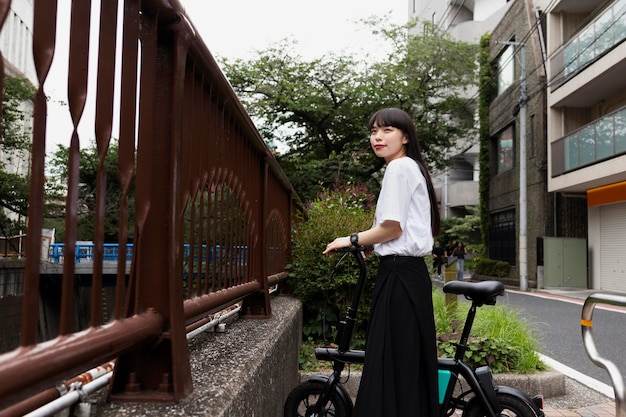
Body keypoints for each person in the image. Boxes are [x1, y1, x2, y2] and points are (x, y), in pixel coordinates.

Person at [323, 108, 441, 416]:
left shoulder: (399, 168)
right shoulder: (410, 167)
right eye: (374, 131)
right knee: (405, 361)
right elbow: (404, 229)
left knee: (392, 358)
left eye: (387, 130)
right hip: (408, 274)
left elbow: (392, 227)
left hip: (399, 277)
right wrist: (373, 249)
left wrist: (349, 240)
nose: (377, 137)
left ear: (405, 137)